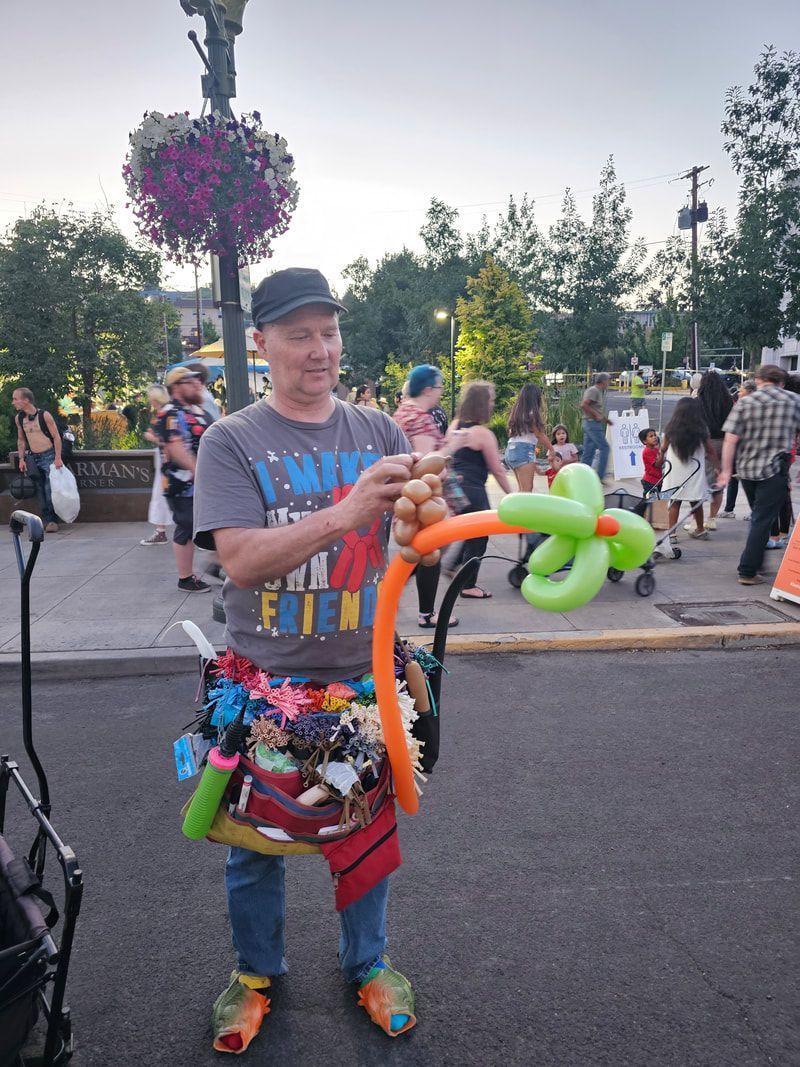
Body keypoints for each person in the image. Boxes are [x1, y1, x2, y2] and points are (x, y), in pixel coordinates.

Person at [192, 267, 418, 1052]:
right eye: (299, 334)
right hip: (266, 688)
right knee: (256, 847)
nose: (320, 350)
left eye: (329, 331)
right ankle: (255, 974)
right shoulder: (231, 440)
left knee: (365, 834)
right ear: (261, 345)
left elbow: (404, 540)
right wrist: (345, 512)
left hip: (362, 682)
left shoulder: (379, 430)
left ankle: (370, 965)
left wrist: (427, 525)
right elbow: (243, 560)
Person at [719, 365, 800, 584]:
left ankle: (757, 563)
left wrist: (726, 470)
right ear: (781, 382)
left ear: (758, 380)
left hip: (746, 469)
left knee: (759, 517)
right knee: (763, 519)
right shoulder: (793, 400)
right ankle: (747, 569)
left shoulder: (745, 402)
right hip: (774, 470)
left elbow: (730, 439)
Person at [393, 364, 458, 628]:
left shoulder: (404, 412)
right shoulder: (418, 418)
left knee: (420, 554)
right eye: (440, 387)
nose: (441, 393)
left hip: (412, 501)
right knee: (429, 552)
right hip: (423, 503)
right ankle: (427, 613)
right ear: (429, 389)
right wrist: (453, 450)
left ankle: (391, 594)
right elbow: (425, 467)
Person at [442, 381, 513, 598]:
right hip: (474, 489)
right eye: (490, 400)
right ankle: (468, 585)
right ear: (482, 404)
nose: (492, 404)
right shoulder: (483, 434)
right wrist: (513, 495)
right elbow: (497, 470)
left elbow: (447, 457)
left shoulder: (455, 426)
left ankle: (453, 565)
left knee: (467, 533)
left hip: (455, 488)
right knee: (479, 537)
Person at [155, 368, 214, 592]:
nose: (197, 384)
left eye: (198, 380)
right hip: (182, 484)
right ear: (177, 386)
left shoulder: (198, 410)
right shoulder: (170, 412)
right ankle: (185, 577)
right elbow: (175, 447)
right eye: (191, 381)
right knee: (187, 526)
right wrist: (200, 472)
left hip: (203, 482)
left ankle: (217, 564)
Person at [660, 397, 718, 540]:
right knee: (696, 501)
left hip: (675, 470)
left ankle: (672, 533)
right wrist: (718, 466)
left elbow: (663, 448)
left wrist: (660, 458)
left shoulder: (670, 428)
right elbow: (710, 450)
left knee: (674, 501)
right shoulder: (701, 428)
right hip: (694, 470)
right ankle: (700, 529)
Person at [12, 387, 64, 533]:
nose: (13, 402)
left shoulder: (44, 415)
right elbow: (21, 440)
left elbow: (56, 437)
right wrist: (21, 459)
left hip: (49, 456)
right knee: (39, 490)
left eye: (16, 399)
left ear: (26, 400)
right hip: (33, 458)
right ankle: (45, 520)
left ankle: (53, 520)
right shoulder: (19, 418)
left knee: (49, 489)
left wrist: (58, 458)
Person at [693, 371, 733, 531]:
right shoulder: (728, 401)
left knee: (700, 482)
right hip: (724, 442)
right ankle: (711, 518)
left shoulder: (698, 401)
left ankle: (697, 521)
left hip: (703, 442)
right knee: (718, 482)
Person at [505, 383, 555, 492]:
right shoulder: (532, 414)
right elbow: (539, 434)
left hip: (511, 449)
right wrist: (551, 449)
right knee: (527, 490)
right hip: (524, 451)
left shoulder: (517, 412)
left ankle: (516, 509)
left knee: (522, 489)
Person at [140, 384, 173, 546]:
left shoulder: (165, 414)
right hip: (167, 461)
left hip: (168, 462)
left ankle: (161, 531)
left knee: (162, 494)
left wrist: (152, 437)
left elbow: (171, 439)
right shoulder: (164, 413)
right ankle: (161, 530)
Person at [720, 380, 756, 518]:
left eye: (742, 390)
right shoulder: (738, 404)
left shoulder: (754, 408)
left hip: (748, 450)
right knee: (733, 479)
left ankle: (754, 511)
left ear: (751, 392)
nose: (739, 392)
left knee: (751, 483)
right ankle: (729, 509)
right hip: (737, 448)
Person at [580, 373, 613, 483]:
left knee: (588, 452)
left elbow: (594, 408)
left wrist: (605, 419)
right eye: (608, 381)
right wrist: (597, 415)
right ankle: (599, 476)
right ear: (603, 381)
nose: (609, 383)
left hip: (591, 423)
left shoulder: (596, 391)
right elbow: (584, 405)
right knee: (605, 448)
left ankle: (583, 476)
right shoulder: (594, 391)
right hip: (592, 423)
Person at [639, 428, 663, 495]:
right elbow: (657, 464)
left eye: (655, 435)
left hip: (657, 480)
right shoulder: (647, 451)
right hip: (650, 482)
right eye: (651, 436)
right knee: (651, 502)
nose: (654, 437)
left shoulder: (655, 450)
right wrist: (663, 452)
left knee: (656, 501)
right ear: (645, 441)